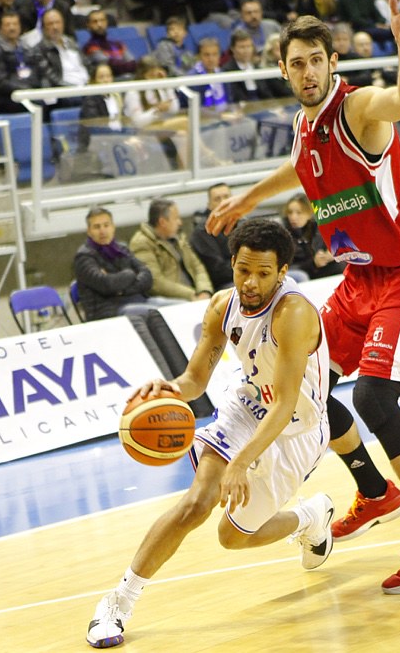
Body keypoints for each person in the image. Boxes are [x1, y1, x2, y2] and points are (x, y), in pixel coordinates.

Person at [207, 0, 400, 595]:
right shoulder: (304, 124)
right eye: (295, 63)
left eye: (315, 61)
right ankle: (374, 492)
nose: (306, 71)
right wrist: (243, 200)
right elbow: (298, 166)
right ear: (283, 68)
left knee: (376, 402)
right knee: (313, 390)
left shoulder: (357, 111)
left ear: (332, 64)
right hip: (359, 279)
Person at [85, 219, 335, 649]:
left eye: (262, 273)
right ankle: (118, 602)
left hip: (296, 428)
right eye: (242, 271)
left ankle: (309, 517)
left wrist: (240, 464)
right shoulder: (223, 306)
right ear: (232, 264)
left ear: (282, 271)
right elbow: (195, 379)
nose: (250, 283)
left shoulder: (294, 313)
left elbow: (285, 405)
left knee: (231, 536)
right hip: (247, 405)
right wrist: (168, 389)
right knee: (195, 504)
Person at [74, 206, 180, 320]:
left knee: (181, 307)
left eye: (106, 225)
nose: (102, 230)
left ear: (113, 227)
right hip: (110, 310)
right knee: (155, 314)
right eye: (96, 227)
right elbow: (107, 285)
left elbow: (147, 276)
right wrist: (130, 274)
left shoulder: (122, 248)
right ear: (89, 231)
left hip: (140, 300)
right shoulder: (84, 257)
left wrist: (122, 289)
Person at [129, 198, 214, 302]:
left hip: (195, 296)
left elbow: (198, 267)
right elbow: (155, 282)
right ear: (162, 222)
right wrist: (191, 295)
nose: (180, 222)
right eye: (176, 218)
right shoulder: (141, 243)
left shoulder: (179, 238)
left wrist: (204, 291)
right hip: (170, 300)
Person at [0, 10, 41, 114]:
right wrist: (25, 89)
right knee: (39, 103)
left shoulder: (26, 47)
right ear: (0, 28)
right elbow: (0, 83)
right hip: (8, 98)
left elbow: (36, 69)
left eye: (15, 24)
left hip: (28, 90)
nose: (12, 28)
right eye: (8, 25)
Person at [281, 193, 345, 281]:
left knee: (341, 265)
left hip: (317, 269)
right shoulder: (283, 233)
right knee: (301, 276)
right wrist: (313, 263)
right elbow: (286, 266)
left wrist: (331, 255)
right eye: (290, 212)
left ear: (309, 213)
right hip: (301, 271)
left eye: (299, 213)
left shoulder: (318, 228)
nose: (293, 217)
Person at [190, 183, 235, 290]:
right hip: (225, 284)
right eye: (217, 199)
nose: (223, 202)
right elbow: (218, 271)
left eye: (226, 197)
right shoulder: (203, 232)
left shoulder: (243, 223)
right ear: (209, 205)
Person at [82, 9, 137, 78]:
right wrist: (125, 65)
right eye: (95, 22)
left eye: (102, 20)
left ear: (106, 22)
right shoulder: (89, 47)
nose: (99, 24)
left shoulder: (118, 44)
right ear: (88, 25)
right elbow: (111, 66)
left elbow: (133, 63)